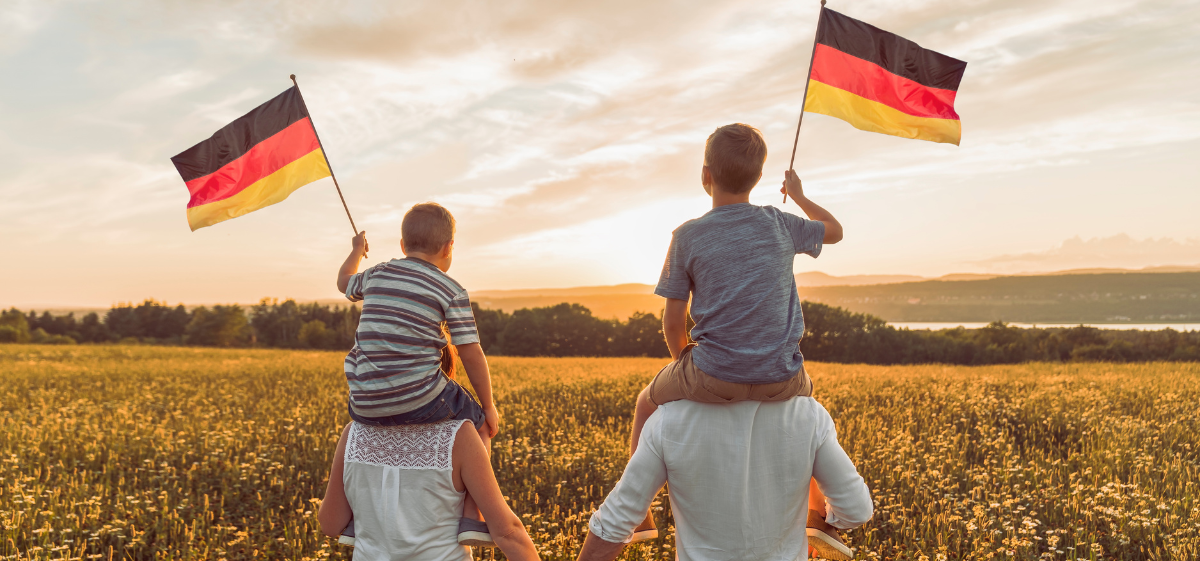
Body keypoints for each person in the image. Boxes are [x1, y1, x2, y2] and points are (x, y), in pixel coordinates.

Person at [626, 123, 854, 556]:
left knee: (644, 404)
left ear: (705, 175)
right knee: (806, 412)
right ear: (760, 177)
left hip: (714, 375)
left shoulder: (687, 236)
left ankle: (639, 514)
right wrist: (799, 194)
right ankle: (819, 513)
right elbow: (834, 229)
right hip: (783, 376)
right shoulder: (779, 222)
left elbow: (672, 322)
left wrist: (685, 366)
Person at [335, 202, 500, 546]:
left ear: (402, 245)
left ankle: (351, 518)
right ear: (448, 247)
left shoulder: (377, 273)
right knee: (480, 426)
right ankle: (473, 514)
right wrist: (489, 406)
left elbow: (342, 282)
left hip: (363, 400)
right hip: (418, 395)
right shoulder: (450, 289)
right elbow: (470, 350)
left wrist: (355, 251)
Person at [577, 396, 874, 561]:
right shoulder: (809, 414)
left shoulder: (668, 419)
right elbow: (856, 510)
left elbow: (614, 522)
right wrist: (822, 518)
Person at [317, 349, 541, 561]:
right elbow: (508, 533)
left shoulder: (353, 434)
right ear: (443, 375)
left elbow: (330, 524)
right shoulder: (460, 436)